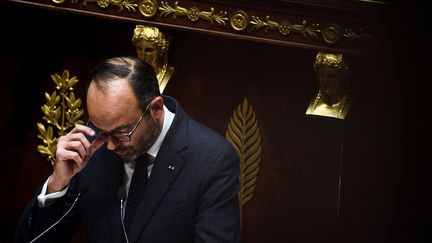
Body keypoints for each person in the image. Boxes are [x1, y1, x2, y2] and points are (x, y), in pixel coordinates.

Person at [15, 56, 241, 243]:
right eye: (102, 130)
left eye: (122, 132)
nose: (110, 145)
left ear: (156, 109)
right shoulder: (91, 145)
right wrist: (58, 183)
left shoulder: (213, 159)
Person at [306, 51, 352, 120]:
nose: (325, 82)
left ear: (342, 77)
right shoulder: (309, 101)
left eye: (331, 77)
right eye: (322, 76)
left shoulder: (349, 104)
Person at [132, 25, 174, 94]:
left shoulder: (169, 74)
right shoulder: (132, 72)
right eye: (139, 49)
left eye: (149, 50)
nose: (143, 56)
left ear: (161, 51)